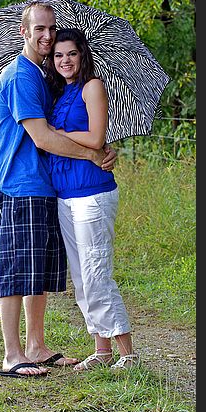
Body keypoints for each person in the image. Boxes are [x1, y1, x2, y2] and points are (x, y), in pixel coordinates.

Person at [0, 1, 117, 378]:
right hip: (19, 184)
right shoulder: (20, 76)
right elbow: (43, 138)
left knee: (39, 271)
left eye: (52, 28)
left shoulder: (42, 77)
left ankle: (36, 346)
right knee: (16, 269)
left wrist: (96, 147)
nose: (47, 36)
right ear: (23, 32)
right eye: (39, 30)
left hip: (45, 186)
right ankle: (13, 355)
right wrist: (92, 154)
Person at [45, 28, 139, 371]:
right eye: (58, 55)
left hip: (93, 193)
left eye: (71, 53)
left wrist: (59, 135)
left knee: (98, 271)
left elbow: (98, 137)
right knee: (82, 276)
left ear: (82, 55)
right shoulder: (59, 94)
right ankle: (102, 351)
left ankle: (127, 353)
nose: (64, 60)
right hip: (65, 195)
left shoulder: (92, 87)